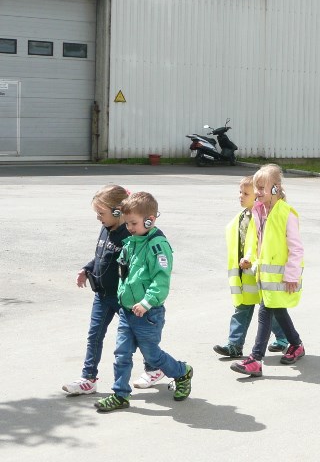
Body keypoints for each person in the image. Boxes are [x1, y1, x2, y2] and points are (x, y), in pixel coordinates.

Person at [94, 192, 193, 412]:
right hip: (128, 311)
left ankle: (182, 371)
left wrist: (147, 302)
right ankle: (120, 394)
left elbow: (161, 279)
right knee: (121, 353)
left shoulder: (157, 246)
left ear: (150, 219)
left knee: (152, 356)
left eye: (134, 223)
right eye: (127, 223)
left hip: (148, 314)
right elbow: (126, 274)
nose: (129, 228)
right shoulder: (131, 242)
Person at [62, 185, 162, 396]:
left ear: (118, 212)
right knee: (94, 336)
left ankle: (154, 369)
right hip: (102, 295)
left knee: (138, 336)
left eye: (101, 213)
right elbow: (102, 257)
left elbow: (139, 265)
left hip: (123, 298)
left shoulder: (130, 234)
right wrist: (87, 269)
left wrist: (143, 298)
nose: (99, 218)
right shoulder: (106, 229)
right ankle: (88, 378)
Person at [231, 165, 306, 377]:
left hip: (282, 278)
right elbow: (259, 243)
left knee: (265, 313)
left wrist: (292, 275)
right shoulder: (259, 211)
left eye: (262, 188)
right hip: (265, 277)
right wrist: (250, 259)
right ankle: (296, 344)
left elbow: (296, 248)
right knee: (278, 311)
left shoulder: (286, 214)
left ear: (276, 188)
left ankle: (255, 360)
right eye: (257, 188)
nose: (258, 192)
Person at [213, 176, 289, 358]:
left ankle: (284, 338)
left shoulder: (262, 217)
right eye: (240, 192)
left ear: (256, 197)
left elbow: (262, 244)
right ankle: (234, 345)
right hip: (245, 274)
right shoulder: (240, 218)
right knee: (242, 308)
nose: (240, 196)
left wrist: (251, 260)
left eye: (245, 193)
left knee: (273, 307)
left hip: (260, 272)